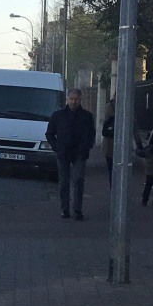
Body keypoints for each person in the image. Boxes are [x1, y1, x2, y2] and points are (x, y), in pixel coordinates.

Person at [46, 87, 96, 220]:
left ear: (80, 100)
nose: (73, 102)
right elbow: (49, 134)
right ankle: (64, 209)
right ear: (67, 99)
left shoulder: (87, 116)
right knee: (64, 182)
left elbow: (92, 134)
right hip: (63, 153)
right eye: (71, 99)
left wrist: (87, 147)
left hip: (80, 153)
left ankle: (77, 209)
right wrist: (57, 147)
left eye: (76, 99)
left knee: (78, 180)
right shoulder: (58, 115)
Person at [101, 99, 115, 185]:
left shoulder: (109, 105)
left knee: (112, 168)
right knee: (112, 168)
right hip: (110, 143)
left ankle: (113, 186)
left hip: (110, 143)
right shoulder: (110, 106)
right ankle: (113, 187)